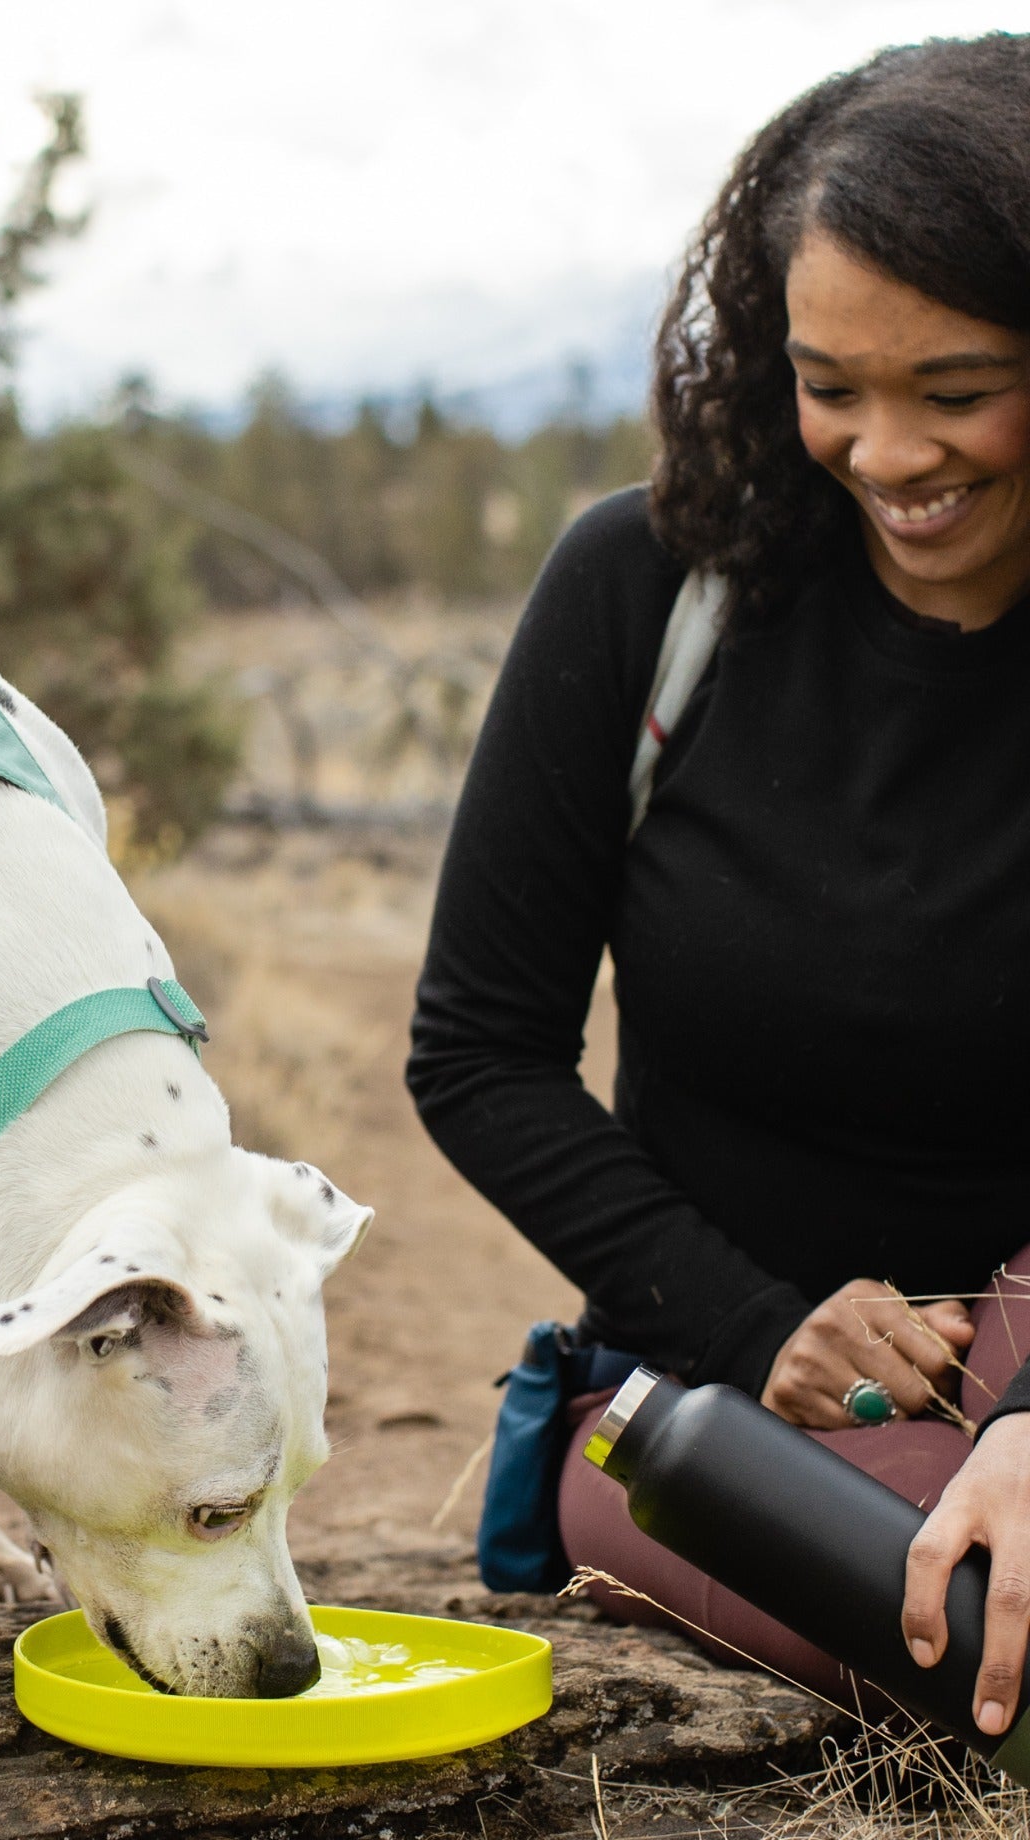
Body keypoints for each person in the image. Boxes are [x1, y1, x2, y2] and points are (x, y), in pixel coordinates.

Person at [407, 35, 1030, 1740]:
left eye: (957, 389)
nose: (891, 453)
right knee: (954, 1614)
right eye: (835, 384)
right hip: (717, 1405)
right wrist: (755, 1323)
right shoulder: (647, 589)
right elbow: (478, 1054)